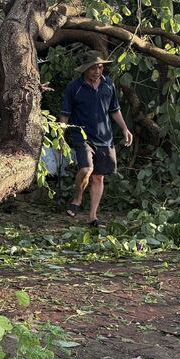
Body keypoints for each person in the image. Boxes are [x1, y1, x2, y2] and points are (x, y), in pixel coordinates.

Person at [59, 49, 133, 227]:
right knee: (86, 169)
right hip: (82, 136)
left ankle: (92, 216)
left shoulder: (109, 86)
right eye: (93, 68)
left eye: (100, 68)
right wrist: (60, 137)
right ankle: (77, 198)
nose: (97, 71)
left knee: (99, 177)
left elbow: (114, 110)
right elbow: (64, 115)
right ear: (85, 69)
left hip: (105, 137)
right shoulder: (74, 88)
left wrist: (125, 129)